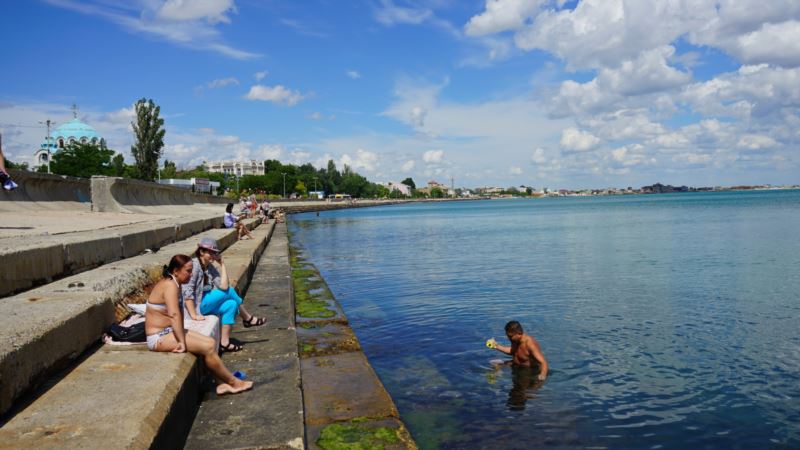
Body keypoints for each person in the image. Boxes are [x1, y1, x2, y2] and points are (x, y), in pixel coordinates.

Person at [145, 254, 253, 395]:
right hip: (158, 337)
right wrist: (182, 342)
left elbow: (179, 314)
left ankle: (221, 384)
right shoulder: (170, 285)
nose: (191, 275)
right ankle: (234, 382)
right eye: (188, 271)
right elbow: (174, 315)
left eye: (191, 271)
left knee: (210, 341)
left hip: (169, 332)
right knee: (208, 347)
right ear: (176, 271)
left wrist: (182, 334)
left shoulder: (176, 283)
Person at [183, 238, 267, 352]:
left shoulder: (209, 266)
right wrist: (193, 315)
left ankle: (224, 342)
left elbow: (223, 285)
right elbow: (187, 293)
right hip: (196, 305)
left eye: (215, 253)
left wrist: (222, 264)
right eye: (210, 252)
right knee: (231, 291)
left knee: (231, 304)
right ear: (201, 252)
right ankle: (247, 318)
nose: (213, 255)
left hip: (206, 302)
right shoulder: (194, 266)